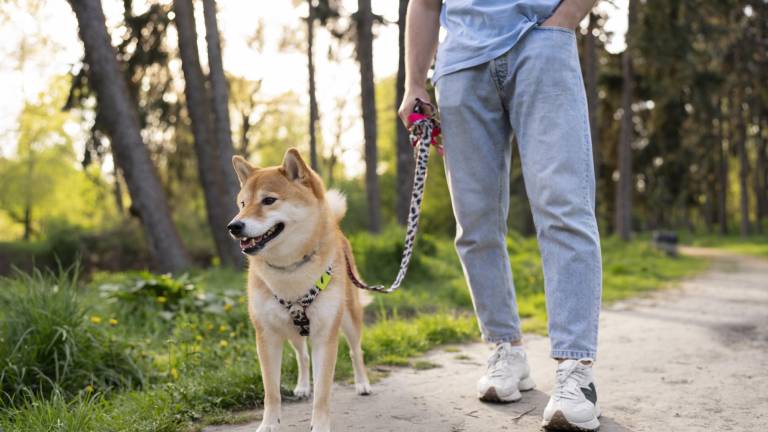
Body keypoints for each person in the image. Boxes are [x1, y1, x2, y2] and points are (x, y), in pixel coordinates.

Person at [398, 0, 603, 430]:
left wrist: (562, 21)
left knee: (563, 207)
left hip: (541, 44)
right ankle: (506, 349)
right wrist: (414, 80)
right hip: (459, 66)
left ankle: (575, 369)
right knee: (474, 223)